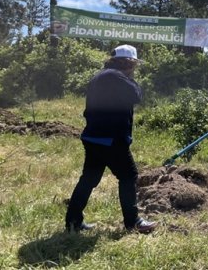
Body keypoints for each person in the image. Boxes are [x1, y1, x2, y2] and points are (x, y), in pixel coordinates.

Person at [65, 45, 157, 234]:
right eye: (134, 64)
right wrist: (132, 79)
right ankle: (133, 222)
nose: (135, 68)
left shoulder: (100, 76)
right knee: (128, 176)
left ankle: (73, 222)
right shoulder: (118, 78)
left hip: (93, 136)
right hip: (111, 139)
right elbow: (137, 96)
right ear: (129, 62)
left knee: (89, 178)